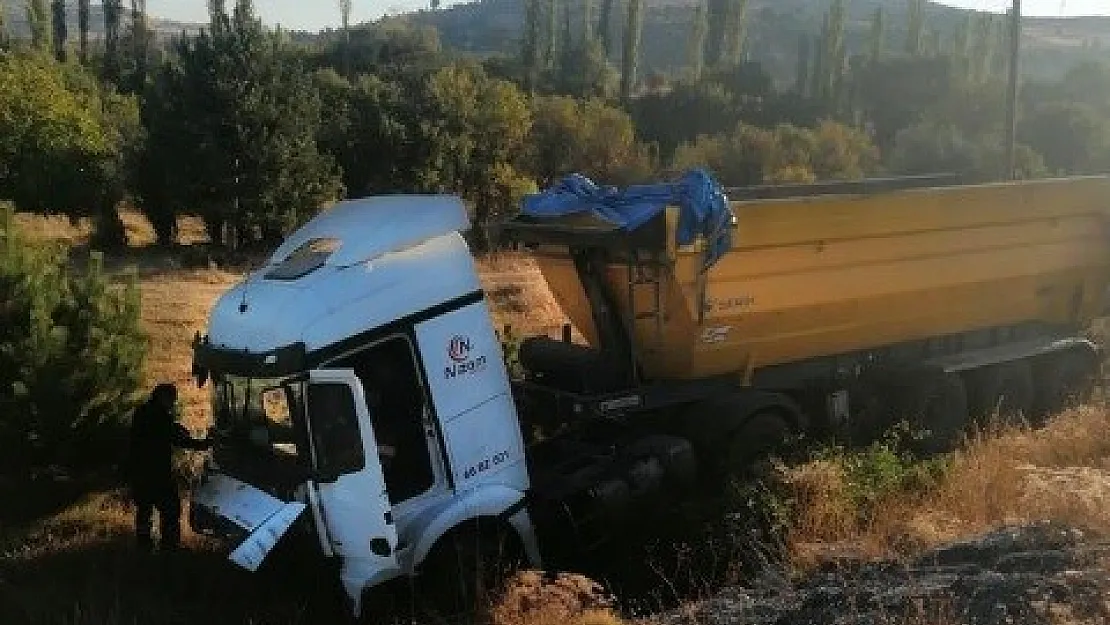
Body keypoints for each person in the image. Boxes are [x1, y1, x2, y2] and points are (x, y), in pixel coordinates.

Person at [126, 383, 212, 553]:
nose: (173, 402)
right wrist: (203, 444)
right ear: (163, 398)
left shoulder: (143, 412)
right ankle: (169, 547)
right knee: (171, 510)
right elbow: (176, 438)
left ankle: (144, 546)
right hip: (157, 473)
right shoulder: (159, 417)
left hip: (140, 472)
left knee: (144, 510)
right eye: (172, 399)